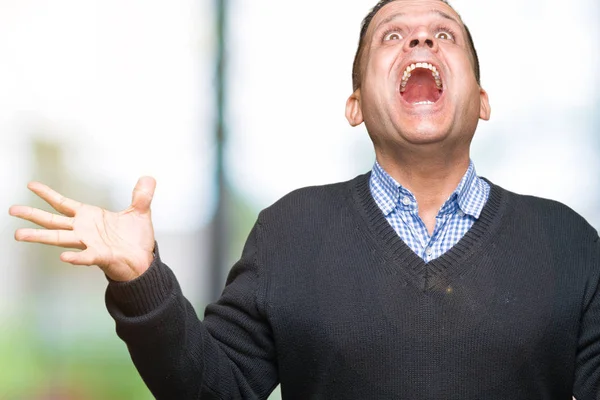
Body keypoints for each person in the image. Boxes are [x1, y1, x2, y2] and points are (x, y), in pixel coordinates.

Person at [9, 0, 599, 399]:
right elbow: (216, 389)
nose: (421, 36)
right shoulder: (289, 231)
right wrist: (143, 281)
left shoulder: (569, 242)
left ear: (483, 98)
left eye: (443, 33)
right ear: (356, 106)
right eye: (392, 35)